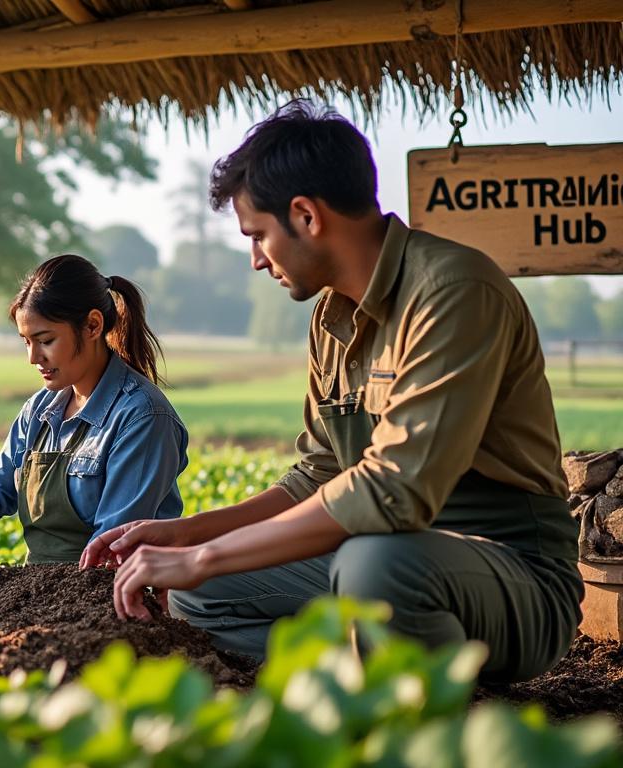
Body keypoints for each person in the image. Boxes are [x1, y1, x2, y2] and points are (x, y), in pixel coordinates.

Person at [82, 100, 583, 684]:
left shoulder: (453, 291)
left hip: (512, 574)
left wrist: (204, 554)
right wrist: (189, 536)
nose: (255, 260)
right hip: (383, 552)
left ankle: (420, 705)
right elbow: (318, 472)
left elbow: (395, 491)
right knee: (201, 591)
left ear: (306, 215)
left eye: (258, 235)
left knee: (376, 566)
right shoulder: (330, 318)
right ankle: (362, 671)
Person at [0, 254, 189, 595]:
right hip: (46, 592)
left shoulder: (142, 417)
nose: (33, 358)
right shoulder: (40, 409)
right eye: (26, 342)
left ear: (92, 326)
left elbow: (112, 548)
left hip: (113, 596)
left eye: (45, 341)